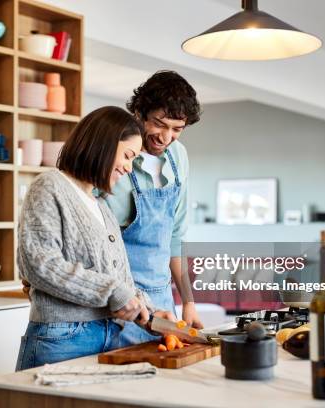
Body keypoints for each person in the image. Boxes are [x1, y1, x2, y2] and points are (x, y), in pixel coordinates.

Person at [15, 106, 174, 371]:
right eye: (127, 156)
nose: (127, 168)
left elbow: (120, 280)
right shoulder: (50, 186)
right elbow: (39, 264)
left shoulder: (102, 207)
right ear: (103, 143)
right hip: (62, 338)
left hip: (108, 335)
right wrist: (114, 292)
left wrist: (151, 313)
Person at [104, 71, 204, 347]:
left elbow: (175, 238)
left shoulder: (178, 156)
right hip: (118, 305)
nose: (166, 137)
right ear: (139, 112)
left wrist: (188, 303)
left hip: (161, 305)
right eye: (159, 124)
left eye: (177, 129)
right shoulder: (113, 155)